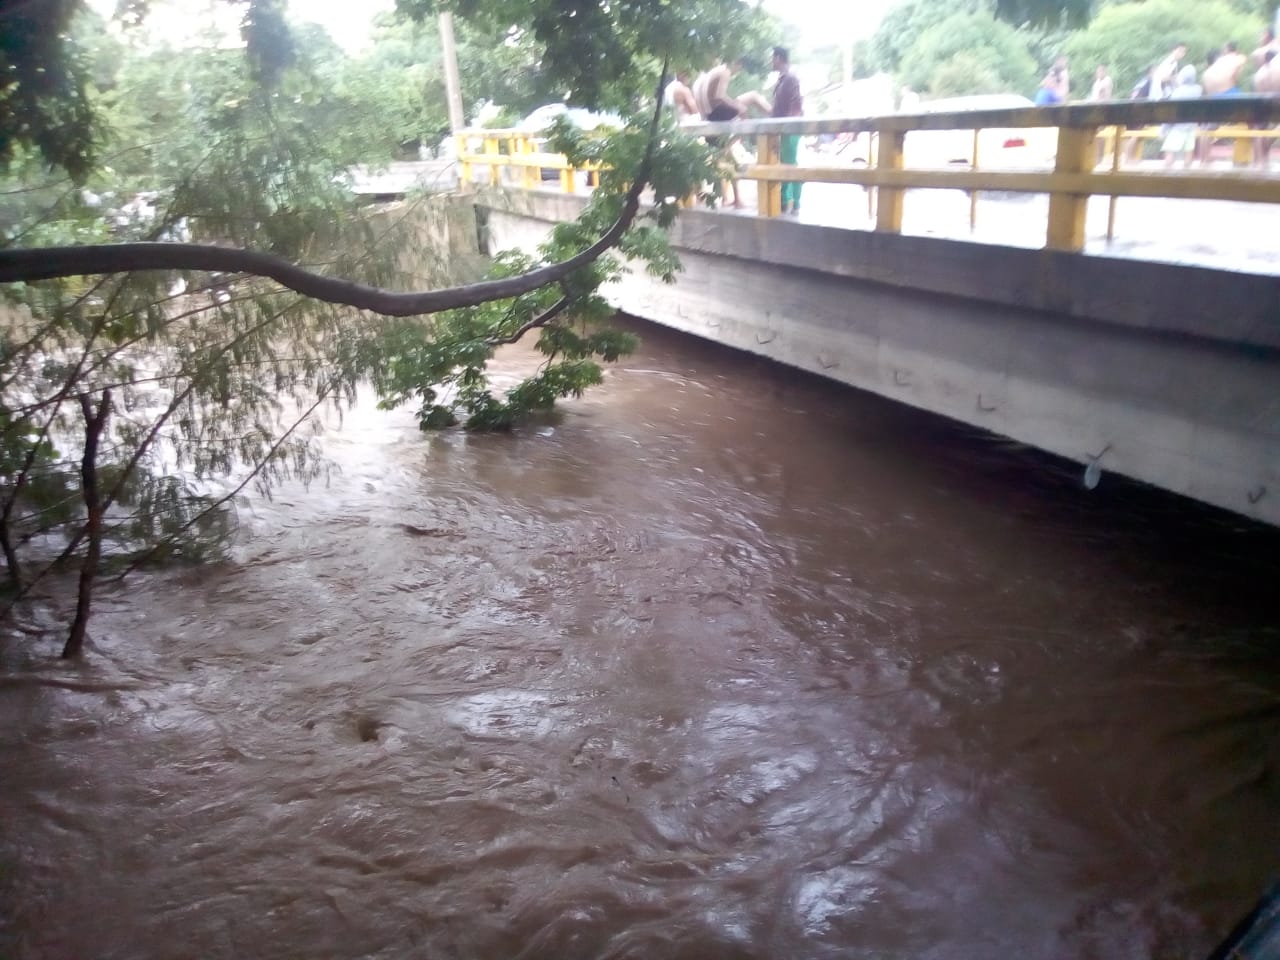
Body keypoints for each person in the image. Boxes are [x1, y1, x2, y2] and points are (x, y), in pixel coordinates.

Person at [770, 45, 804, 215]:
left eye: (772, 58)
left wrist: (789, 126)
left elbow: (795, 105)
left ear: (778, 58)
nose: (771, 62)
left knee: (790, 164)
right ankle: (784, 201)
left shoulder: (791, 78)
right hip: (782, 129)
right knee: (785, 163)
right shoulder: (782, 79)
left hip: (790, 129)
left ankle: (795, 202)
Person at [1161, 65, 1202, 168]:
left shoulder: (1178, 92)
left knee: (1169, 150)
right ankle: (1187, 173)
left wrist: (1164, 129)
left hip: (1178, 127)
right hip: (1191, 125)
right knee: (1188, 151)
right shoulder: (1198, 89)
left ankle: (1167, 173)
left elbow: (1170, 111)